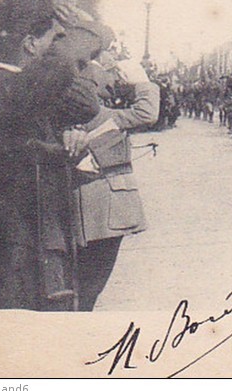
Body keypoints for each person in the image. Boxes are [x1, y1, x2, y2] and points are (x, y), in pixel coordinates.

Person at [0, 0, 101, 311]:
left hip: (26, 248)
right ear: (29, 44)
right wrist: (87, 28)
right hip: (6, 257)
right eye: (55, 40)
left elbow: (85, 105)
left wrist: (70, 146)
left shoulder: (19, 92)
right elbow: (65, 66)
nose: (59, 47)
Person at [62, 19, 159, 311]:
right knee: (90, 286)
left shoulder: (80, 101)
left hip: (86, 207)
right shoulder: (95, 109)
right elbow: (147, 112)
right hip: (102, 211)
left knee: (80, 286)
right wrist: (141, 80)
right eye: (109, 53)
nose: (114, 62)